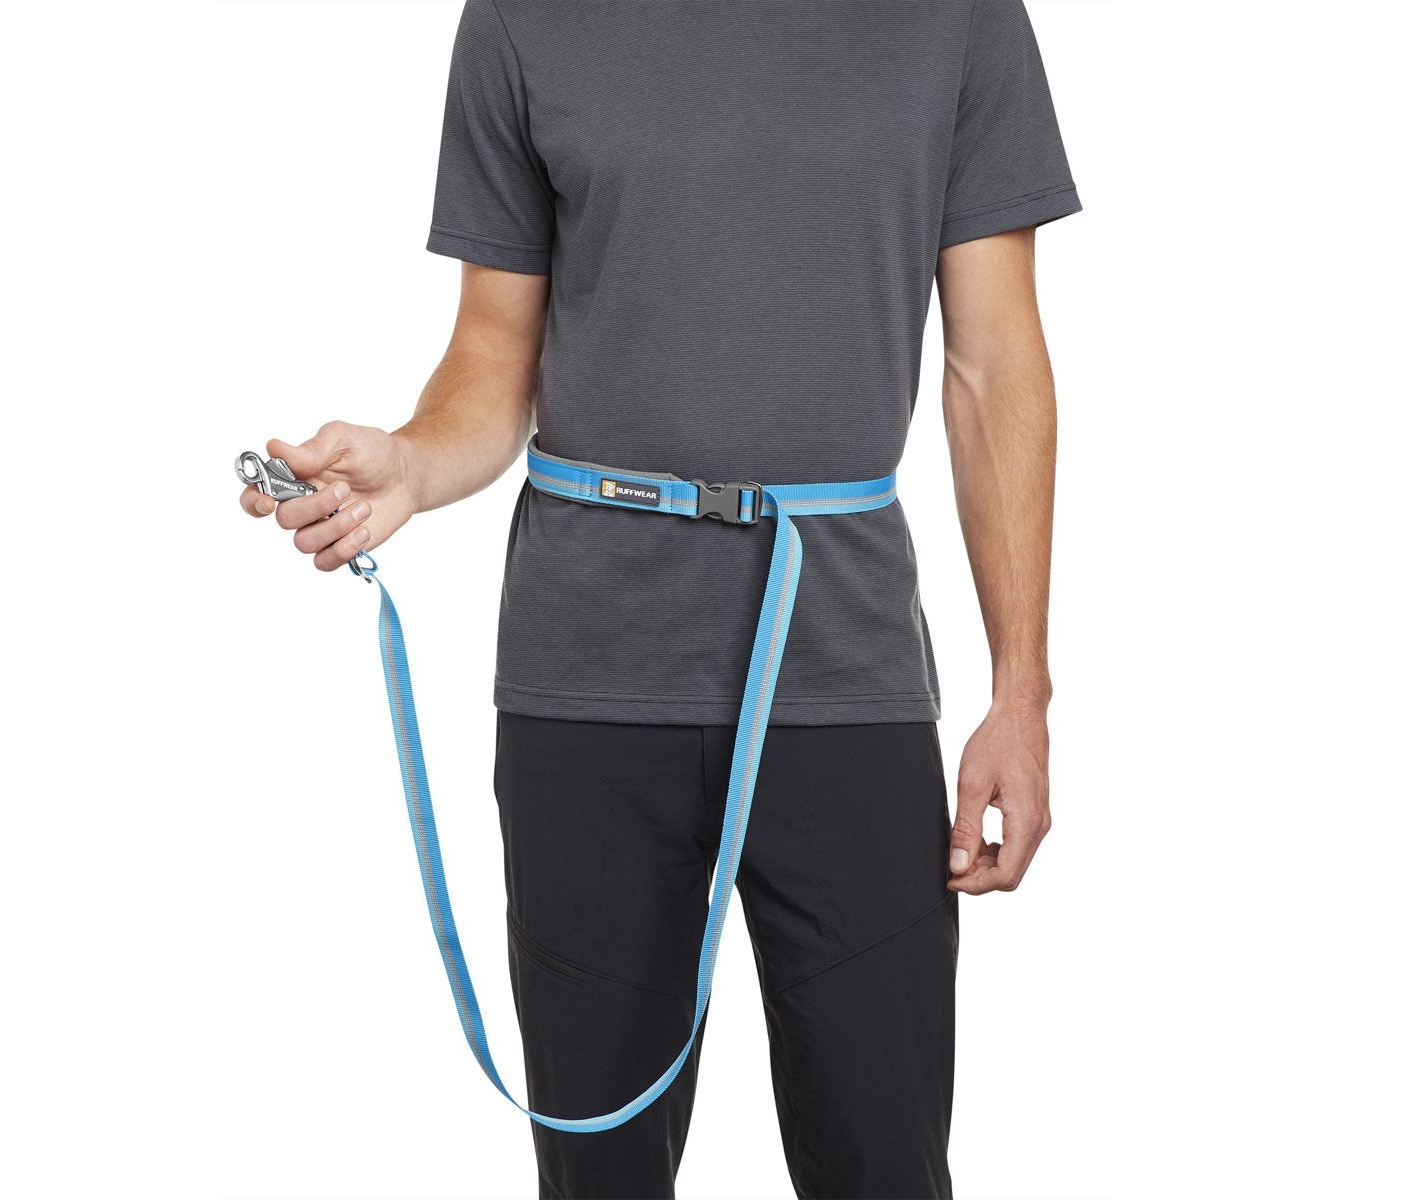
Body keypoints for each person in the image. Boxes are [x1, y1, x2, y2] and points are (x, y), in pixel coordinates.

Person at [238, 2, 1079, 1195]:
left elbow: (994, 365)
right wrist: (413, 467)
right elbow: (493, 352)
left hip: (846, 674)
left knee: (886, 1165)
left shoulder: (958, 17)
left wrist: (1020, 695)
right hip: (588, 682)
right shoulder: (523, 19)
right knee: (598, 1177)